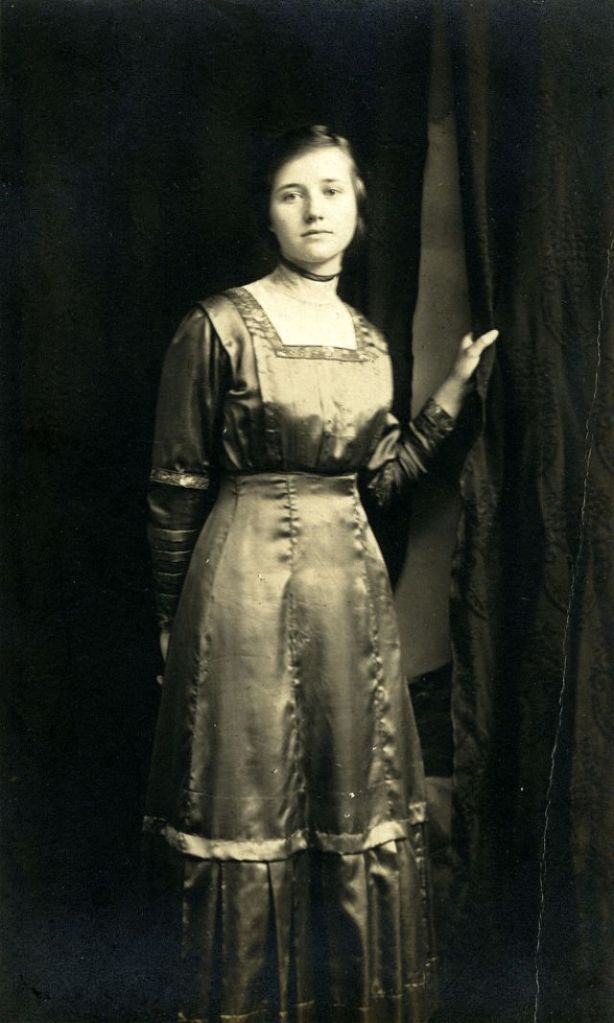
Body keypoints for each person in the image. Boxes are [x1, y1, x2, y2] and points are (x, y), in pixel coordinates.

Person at [144, 125, 497, 1023]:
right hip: (239, 591)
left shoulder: (370, 343)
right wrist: (173, 621)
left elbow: (380, 483)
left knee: (348, 799)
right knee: (249, 801)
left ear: (359, 212)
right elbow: (176, 486)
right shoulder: (217, 326)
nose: (314, 211)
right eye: (292, 193)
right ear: (268, 214)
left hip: (349, 598)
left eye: (332, 191)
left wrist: (449, 398)